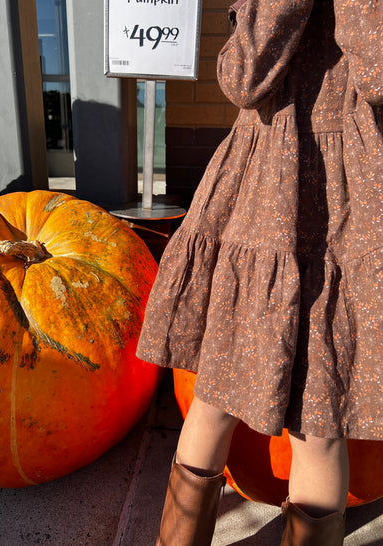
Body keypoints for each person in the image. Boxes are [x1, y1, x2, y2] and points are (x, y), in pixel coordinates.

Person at [136, 0, 383, 544]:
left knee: (319, 419)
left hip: (345, 215)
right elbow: (242, 78)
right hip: (256, 203)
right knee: (215, 395)